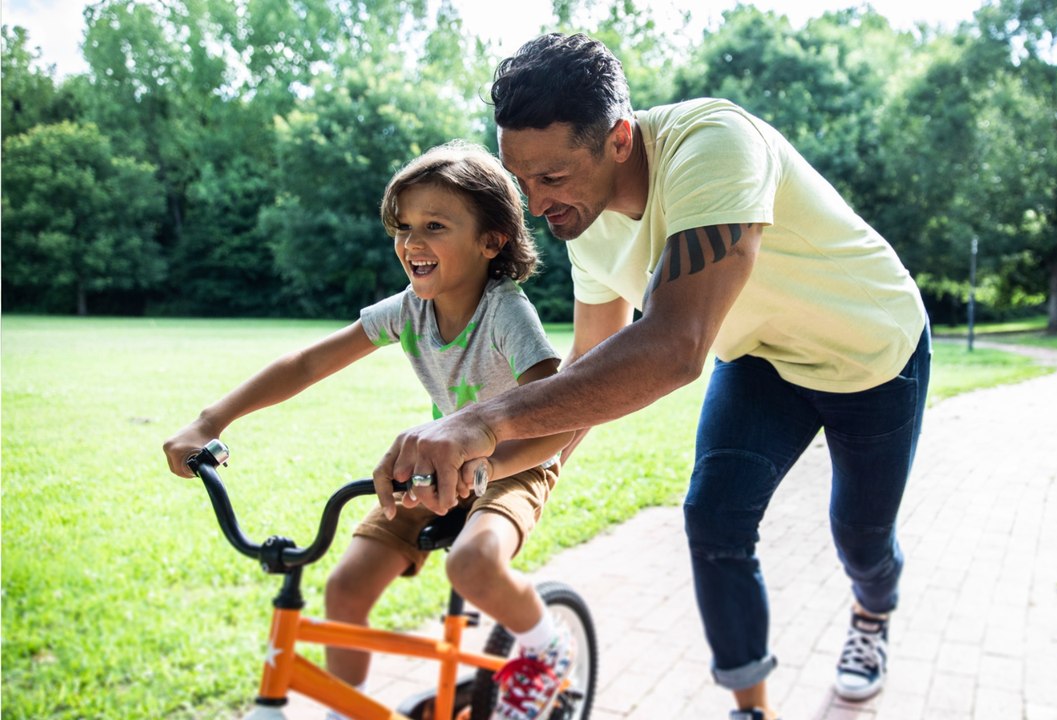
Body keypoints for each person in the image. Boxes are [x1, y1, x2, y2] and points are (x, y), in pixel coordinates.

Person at [372, 34, 931, 720]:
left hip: (872, 351)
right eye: (523, 180)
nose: (537, 205)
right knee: (713, 518)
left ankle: (872, 613)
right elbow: (585, 375)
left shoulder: (714, 143)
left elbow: (673, 345)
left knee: (860, 537)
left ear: (618, 139)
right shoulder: (585, 222)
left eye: (552, 177)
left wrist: (479, 421)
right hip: (761, 358)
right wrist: (493, 472)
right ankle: (752, 707)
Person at [163, 140, 578, 720]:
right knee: (345, 589)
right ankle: (345, 711)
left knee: (472, 564)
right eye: (403, 227)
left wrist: (488, 465)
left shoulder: (505, 311)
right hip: (437, 465)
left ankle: (546, 645)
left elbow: (560, 415)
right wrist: (211, 421)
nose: (411, 243)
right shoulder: (409, 309)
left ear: (491, 241)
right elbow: (308, 364)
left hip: (514, 464)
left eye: (434, 225)